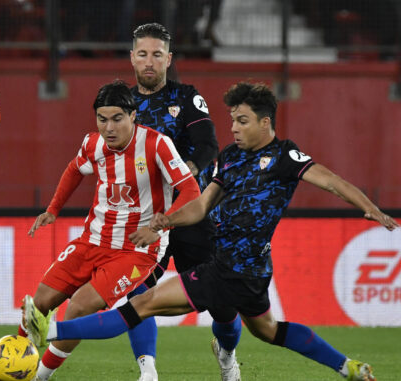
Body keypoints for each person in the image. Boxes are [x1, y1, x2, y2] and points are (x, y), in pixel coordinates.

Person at [26, 81, 399, 381]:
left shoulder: (285, 156)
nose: (233, 128)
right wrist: (166, 221)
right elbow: (202, 205)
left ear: (265, 123)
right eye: (233, 120)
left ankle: (53, 333)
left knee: (139, 305)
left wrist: (370, 208)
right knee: (268, 330)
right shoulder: (231, 158)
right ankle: (346, 367)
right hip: (249, 270)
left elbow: (331, 181)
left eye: (242, 121)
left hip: (227, 269)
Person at [18, 80, 201, 381]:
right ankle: (16, 359)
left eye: (117, 118)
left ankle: (39, 375)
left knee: (79, 307)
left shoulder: (156, 144)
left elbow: (191, 189)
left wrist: (161, 225)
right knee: (40, 300)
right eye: (102, 119)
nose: (109, 127)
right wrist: (52, 209)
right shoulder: (93, 144)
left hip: (137, 250)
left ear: (133, 116)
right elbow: (74, 169)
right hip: (93, 239)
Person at [126, 22, 241, 381]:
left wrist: (183, 172)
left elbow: (209, 146)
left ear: (168, 59)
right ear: (132, 58)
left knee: (223, 306)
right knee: (136, 292)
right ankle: (148, 371)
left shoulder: (187, 98)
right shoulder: (122, 104)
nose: (149, 61)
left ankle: (226, 355)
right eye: (142, 54)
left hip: (193, 215)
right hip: (147, 217)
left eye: (156, 55)